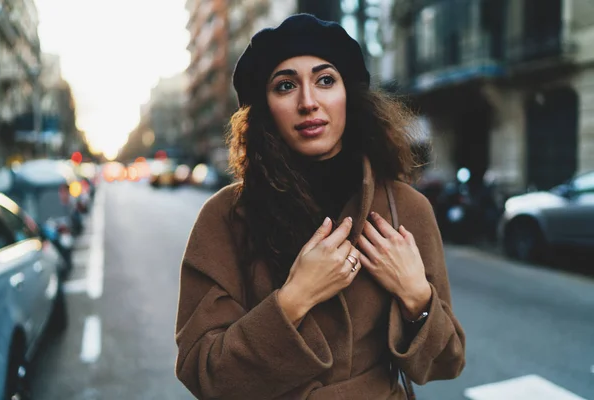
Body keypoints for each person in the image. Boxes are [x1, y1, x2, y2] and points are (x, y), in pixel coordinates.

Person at [175, 14, 465, 400]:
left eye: (325, 80)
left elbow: (447, 362)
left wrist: (416, 296)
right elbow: (203, 373)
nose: (308, 102)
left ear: (349, 95)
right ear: (265, 107)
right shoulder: (225, 216)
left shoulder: (407, 208)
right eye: (285, 86)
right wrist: (294, 298)